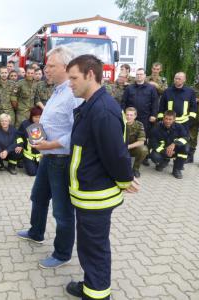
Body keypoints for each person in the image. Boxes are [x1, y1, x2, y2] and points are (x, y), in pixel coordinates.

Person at [65, 54, 138, 300]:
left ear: (90, 75)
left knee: (94, 250)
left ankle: (97, 295)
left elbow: (115, 154)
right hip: (86, 194)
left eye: (74, 78)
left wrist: (125, 180)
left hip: (96, 196)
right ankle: (91, 285)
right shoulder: (91, 105)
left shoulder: (103, 110)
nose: (70, 83)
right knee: (88, 248)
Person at [17, 46, 82, 269]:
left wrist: (50, 144)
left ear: (66, 67)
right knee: (38, 197)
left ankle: (62, 253)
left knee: (62, 211)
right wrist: (40, 139)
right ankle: (36, 232)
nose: (46, 69)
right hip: (48, 156)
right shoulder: (57, 90)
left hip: (61, 160)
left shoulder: (74, 94)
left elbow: (76, 133)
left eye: (51, 65)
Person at [122, 68, 158, 165]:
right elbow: (124, 102)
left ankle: (144, 157)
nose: (139, 76)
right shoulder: (130, 88)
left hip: (145, 117)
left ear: (145, 76)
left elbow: (155, 103)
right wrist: (123, 115)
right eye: (137, 74)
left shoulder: (151, 88)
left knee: (144, 136)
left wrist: (153, 115)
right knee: (127, 134)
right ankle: (126, 153)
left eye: (141, 74)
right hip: (130, 117)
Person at [158, 72, 197, 161]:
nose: (176, 80)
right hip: (169, 122)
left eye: (179, 78)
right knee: (167, 141)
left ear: (184, 80)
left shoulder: (190, 92)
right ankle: (165, 159)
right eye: (176, 78)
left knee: (183, 143)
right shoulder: (167, 91)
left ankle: (179, 163)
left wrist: (189, 121)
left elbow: (193, 107)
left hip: (184, 123)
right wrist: (161, 119)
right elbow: (161, 107)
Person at [150, 110, 189, 179]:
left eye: (170, 119)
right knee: (154, 156)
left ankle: (177, 169)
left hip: (175, 150)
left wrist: (174, 144)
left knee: (185, 148)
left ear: (174, 119)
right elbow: (153, 143)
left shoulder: (179, 127)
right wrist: (164, 151)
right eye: (166, 119)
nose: (168, 121)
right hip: (163, 151)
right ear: (163, 118)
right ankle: (164, 161)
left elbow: (186, 138)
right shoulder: (156, 128)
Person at [15, 107, 42, 176]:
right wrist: (20, 145)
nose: (37, 119)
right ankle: (25, 162)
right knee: (33, 173)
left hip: (41, 155)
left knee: (42, 172)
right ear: (31, 116)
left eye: (39, 117)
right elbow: (18, 135)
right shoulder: (25, 124)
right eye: (35, 117)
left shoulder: (44, 124)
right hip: (28, 155)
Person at [125, 107, 148, 178]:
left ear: (135, 116)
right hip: (119, 148)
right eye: (127, 114)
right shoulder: (120, 123)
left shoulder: (139, 124)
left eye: (131, 115)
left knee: (144, 149)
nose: (129, 117)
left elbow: (141, 142)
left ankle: (135, 169)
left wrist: (128, 147)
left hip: (132, 149)